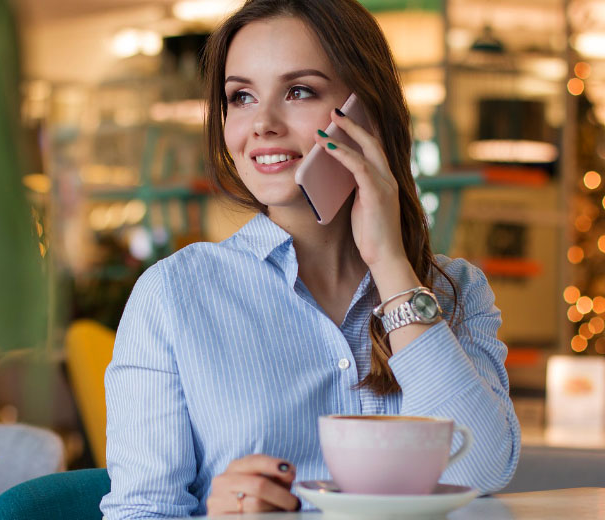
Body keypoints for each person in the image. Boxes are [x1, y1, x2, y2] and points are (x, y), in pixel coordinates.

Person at [101, 0, 521, 517]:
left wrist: (390, 263)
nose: (263, 124)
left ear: (364, 111)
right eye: (242, 96)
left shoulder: (455, 287)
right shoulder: (173, 294)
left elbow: (477, 472)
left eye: (299, 91)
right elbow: (139, 511)